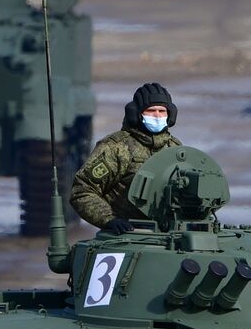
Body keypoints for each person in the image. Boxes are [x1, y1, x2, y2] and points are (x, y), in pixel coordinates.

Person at [70, 83, 183, 232]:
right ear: (136, 113)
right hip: (126, 234)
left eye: (162, 111)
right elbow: (82, 190)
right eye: (150, 110)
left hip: (166, 235)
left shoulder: (174, 148)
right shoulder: (116, 147)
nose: (157, 115)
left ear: (170, 115)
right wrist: (109, 220)